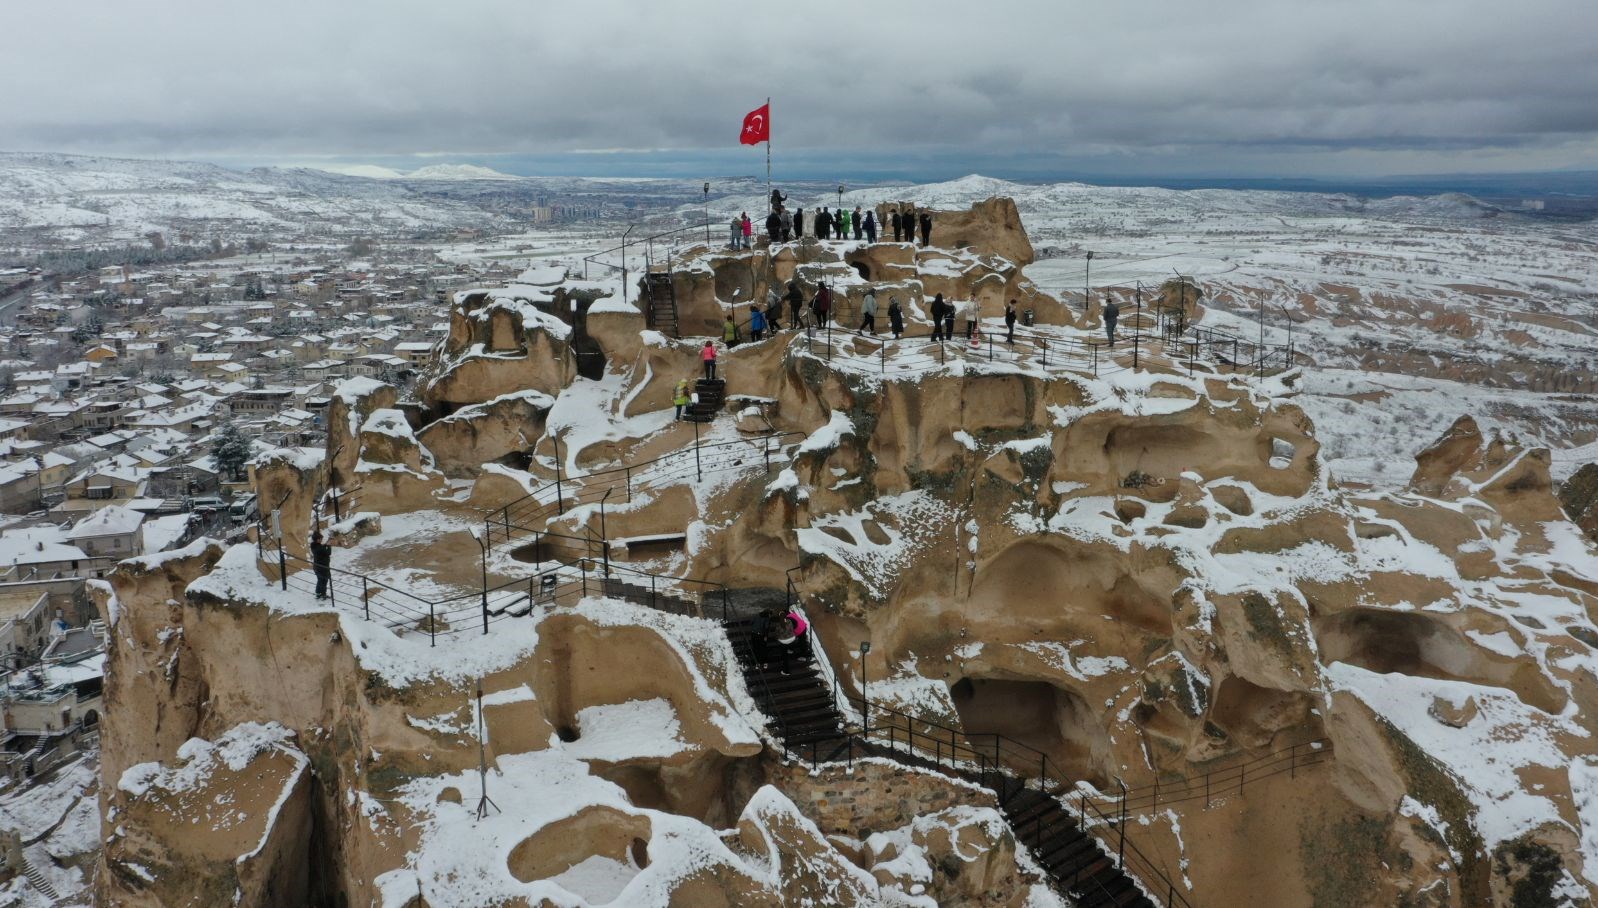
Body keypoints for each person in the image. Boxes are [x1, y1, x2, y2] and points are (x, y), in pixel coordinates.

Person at [775, 608, 810, 674]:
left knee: (799, 642)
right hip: (803, 626)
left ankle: (801, 655)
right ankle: (801, 654)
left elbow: (791, 627)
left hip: (799, 630)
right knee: (801, 641)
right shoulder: (792, 614)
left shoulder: (787, 621)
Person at [310, 531, 332, 600]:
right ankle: (323, 594)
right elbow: (328, 553)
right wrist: (329, 545)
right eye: (320, 539)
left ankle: (318, 593)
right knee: (324, 580)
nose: (321, 540)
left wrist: (325, 544)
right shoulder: (319, 548)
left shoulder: (314, 545)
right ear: (317, 539)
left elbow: (321, 548)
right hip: (323, 567)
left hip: (317, 567)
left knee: (320, 580)